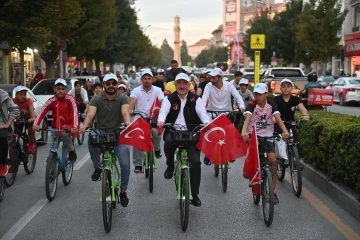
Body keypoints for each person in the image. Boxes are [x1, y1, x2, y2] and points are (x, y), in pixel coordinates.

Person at [157, 73, 210, 207]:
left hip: (191, 133)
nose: (182, 86)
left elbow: (202, 112)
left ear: (189, 85)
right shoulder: (169, 98)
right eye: (179, 83)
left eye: (184, 83)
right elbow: (163, 111)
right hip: (174, 132)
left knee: (196, 162)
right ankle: (170, 166)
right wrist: (161, 121)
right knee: (168, 144)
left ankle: (195, 194)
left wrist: (206, 122)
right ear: (175, 85)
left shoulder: (195, 99)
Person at [80, 73, 131, 207]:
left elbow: (125, 111)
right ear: (103, 85)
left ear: (116, 84)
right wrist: (85, 125)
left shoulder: (123, 97)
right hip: (102, 132)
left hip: (118, 132)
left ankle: (123, 191)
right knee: (91, 137)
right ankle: (97, 168)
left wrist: (127, 122)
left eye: (113, 83)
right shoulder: (96, 99)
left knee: (125, 164)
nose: (111, 86)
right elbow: (90, 113)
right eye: (108, 83)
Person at [241, 83, 289, 204]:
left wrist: (285, 132)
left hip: (268, 137)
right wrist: (244, 131)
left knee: (273, 161)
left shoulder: (271, 104)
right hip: (254, 135)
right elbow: (247, 118)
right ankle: (251, 173)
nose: (258, 97)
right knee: (255, 157)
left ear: (266, 94)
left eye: (261, 94)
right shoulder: (252, 105)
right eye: (256, 94)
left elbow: (277, 118)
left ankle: (272, 190)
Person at [201, 68, 245, 165]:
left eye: (213, 77)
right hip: (211, 112)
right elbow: (204, 100)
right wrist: (202, 109)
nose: (211, 79)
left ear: (220, 78)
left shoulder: (229, 85)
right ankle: (208, 154)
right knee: (209, 132)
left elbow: (238, 97)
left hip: (227, 113)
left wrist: (241, 106)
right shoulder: (208, 86)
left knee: (231, 132)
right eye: (210, 77)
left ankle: (230, 153)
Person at [34, 79, 78, 163]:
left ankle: (71, 151)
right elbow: (42, 112)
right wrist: (36, 124)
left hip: (69, 126)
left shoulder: (71, 99)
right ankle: (52, 157)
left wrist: (74, 126)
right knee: (54, 139)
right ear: (54, 89)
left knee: (64, 134)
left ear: (66, 89)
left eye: (62, 89)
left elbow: (75, 113)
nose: (60, 91)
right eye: (58, 89)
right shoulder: (51, 100)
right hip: (56, 126)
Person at [129, 70, 164, 173]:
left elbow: (162, 101)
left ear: (152, 80)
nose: (147, 81)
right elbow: (132, 102)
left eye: (149, 79)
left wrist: (163, 111)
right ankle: (138, 165)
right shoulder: (136, 90)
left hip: (154, 118)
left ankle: (157, 149)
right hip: (140, 119)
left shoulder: (157, 90)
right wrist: (131, 109)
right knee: (137, 137)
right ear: (141, 80)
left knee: (155, 132)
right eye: (145, 78)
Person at [0, 88, 20, 175]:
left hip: (2, 126)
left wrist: (7, 124)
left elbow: (15, 110)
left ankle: (2, 163)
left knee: (2, 137)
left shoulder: (3, 94)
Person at [12, 86, 36, 153]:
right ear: (16, 95)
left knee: (31, 126)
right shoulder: (13, 101)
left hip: (28, 119)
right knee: (15, 135)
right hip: (19, 119)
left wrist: (31, 118)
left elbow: (32, 115)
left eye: (24, 94)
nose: (23, 96)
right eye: (21, 94)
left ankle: (31, 142)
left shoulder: (28, 101)